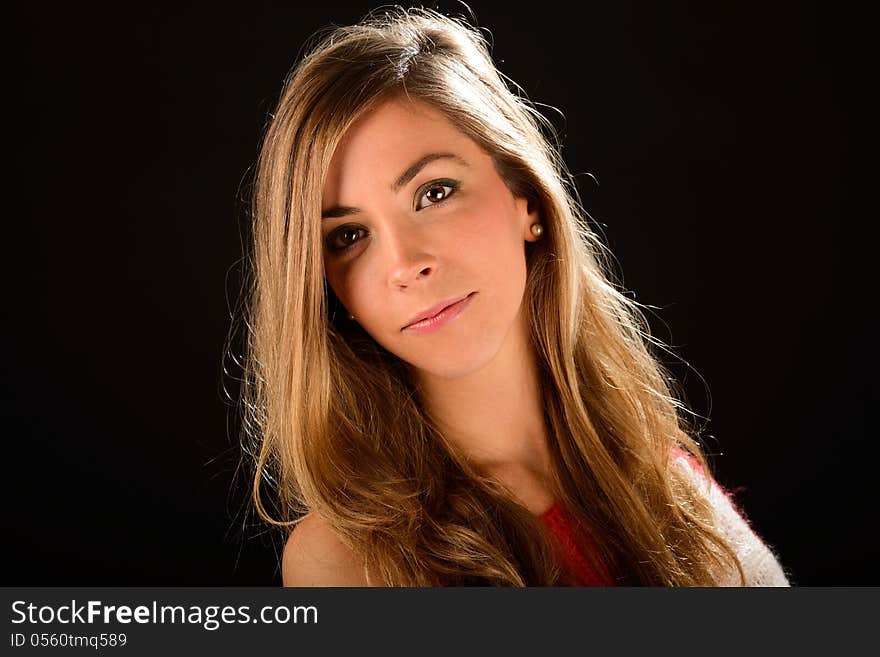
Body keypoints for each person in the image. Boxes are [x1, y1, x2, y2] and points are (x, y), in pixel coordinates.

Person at [238, 6, 791, 586]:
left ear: (525, 199)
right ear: (328, 288)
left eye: (434, 193)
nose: (404, 265)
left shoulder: (671, 485)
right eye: (349, 237)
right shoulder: (347, 560)